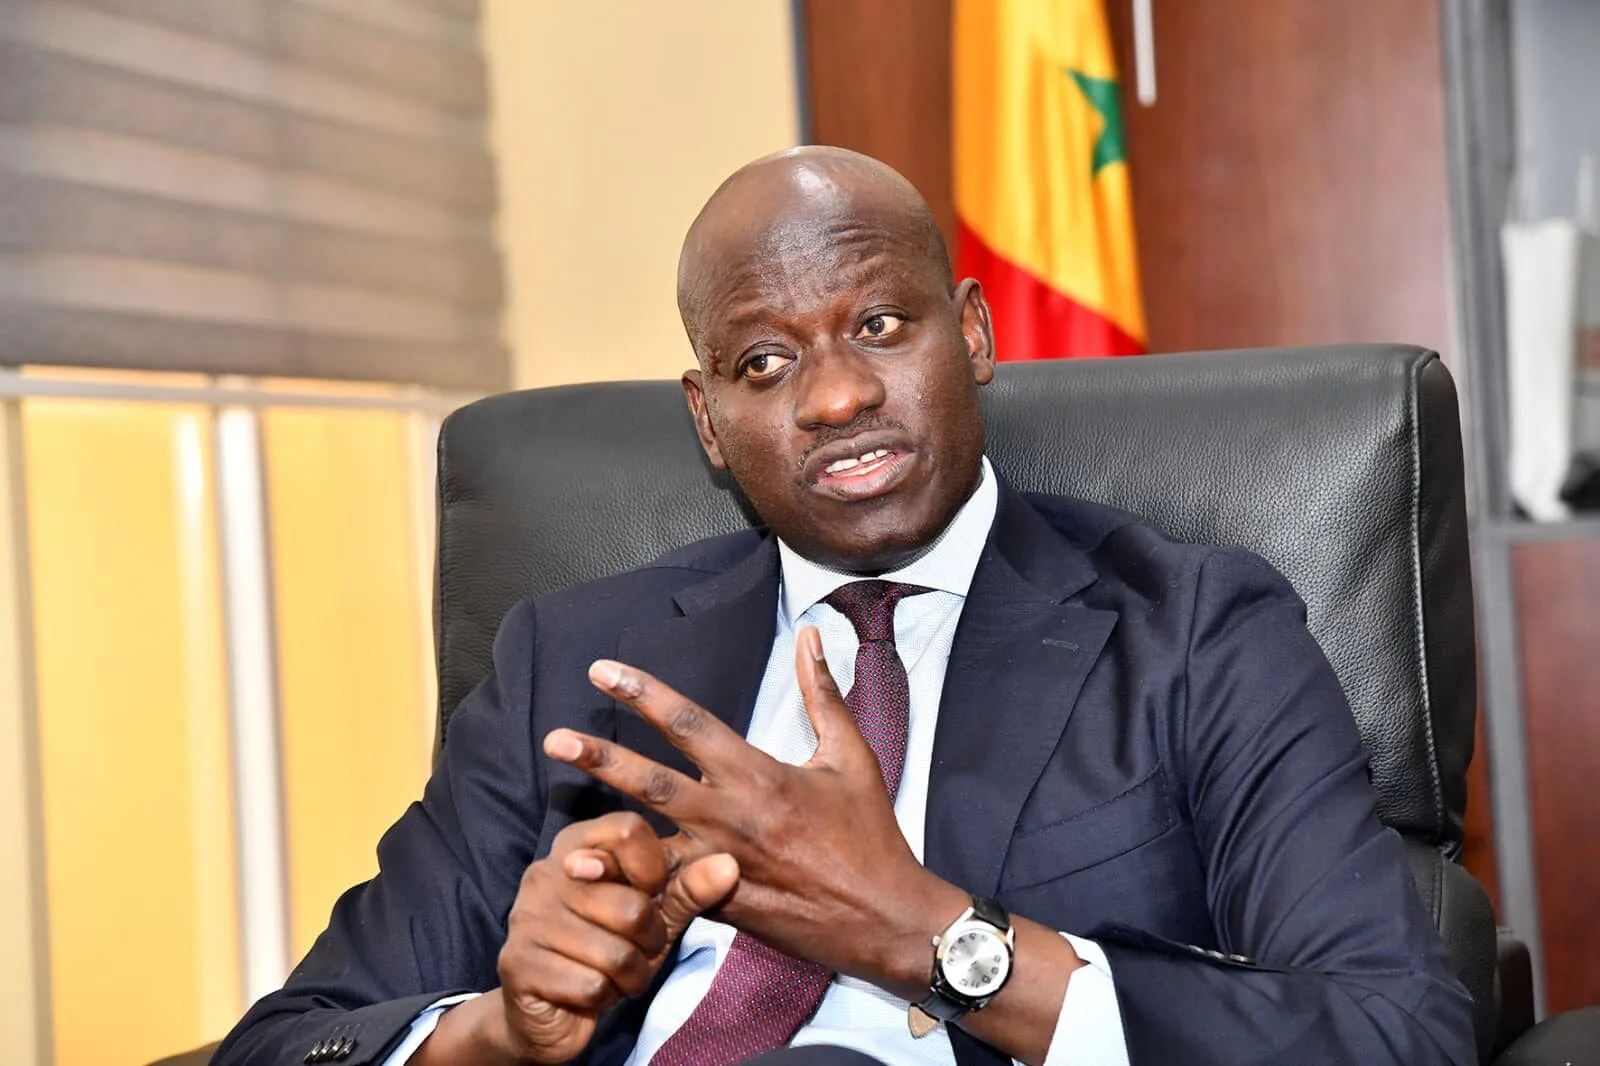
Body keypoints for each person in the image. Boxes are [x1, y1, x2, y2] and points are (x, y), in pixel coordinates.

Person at [214, 147, 1474, 1066]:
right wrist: (502, 1030)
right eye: (764, 361)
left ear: (970, 334)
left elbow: (1397, 1031)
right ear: (708, 419)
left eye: (878, 324)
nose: (832, 399)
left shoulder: (1192, 630)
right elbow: (287, 1041)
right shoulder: (573, 661)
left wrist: (928, 934)